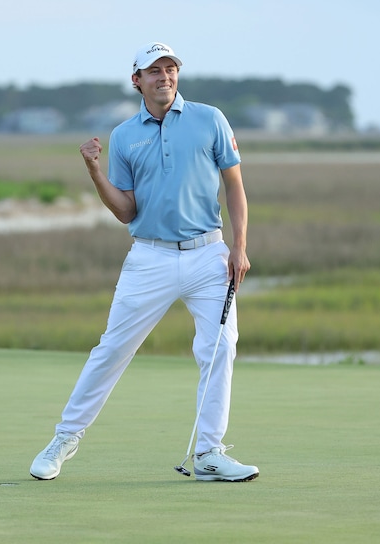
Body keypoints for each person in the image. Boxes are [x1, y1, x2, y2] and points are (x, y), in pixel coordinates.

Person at [29, 41, 257, 482]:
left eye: (170, 69)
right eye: (154, 71)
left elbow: (235, 186)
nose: (164, 77)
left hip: (209, 253)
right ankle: (64, 438)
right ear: (137, 80)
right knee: (112, 349)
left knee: (219, 348)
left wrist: (239, 246)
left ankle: (209, 452)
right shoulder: (126, 135)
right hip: (149, 257)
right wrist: (95, 171)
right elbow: (126, 211)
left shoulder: (210, 119)